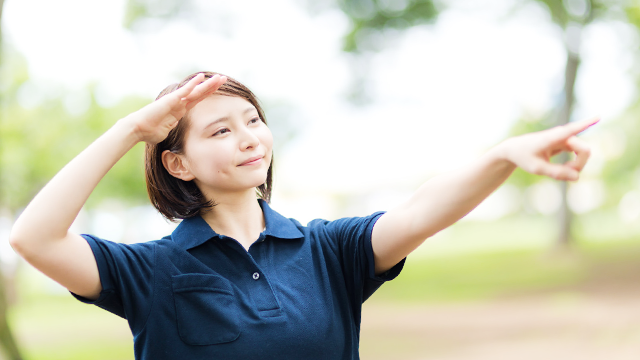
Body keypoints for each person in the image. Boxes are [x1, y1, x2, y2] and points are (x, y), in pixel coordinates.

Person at [9, 71, 597, 359]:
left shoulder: (329, 252)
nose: (249, 139)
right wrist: (130, 129)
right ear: (179, 163)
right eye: (221, 130)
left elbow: (423, 211)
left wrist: (501, 157)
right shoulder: (150, 272)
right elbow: (34, 238)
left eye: (253, 120)